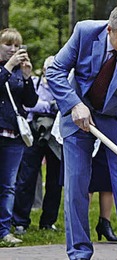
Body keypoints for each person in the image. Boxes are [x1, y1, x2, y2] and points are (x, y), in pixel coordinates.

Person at [46, 4, 117, 259]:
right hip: (79, 115)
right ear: (109, 30)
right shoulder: (85, 32)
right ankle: (79, 254)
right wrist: (74, 104)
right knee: (76, 187)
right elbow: (55, 71)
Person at [12, 56, 63, 235]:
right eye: (49, 69)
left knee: (55, 180)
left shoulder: (64, 86)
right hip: (33, 134)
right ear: (43, 69)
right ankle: (20, 221)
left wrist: (48, 106)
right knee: (27, 176)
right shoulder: (33, 82)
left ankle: (48, 221)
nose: (52, 72)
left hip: (55, 137)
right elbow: (29, 105)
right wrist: (50, 105)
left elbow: (64, 106)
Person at [0, 28, 37, 245]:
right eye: (8, 45)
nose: (13, 49)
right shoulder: (7, 68)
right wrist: (9, 66)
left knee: (8, 185)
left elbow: (30, 102)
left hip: (14, 135)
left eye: (17, 46)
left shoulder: (17, 71)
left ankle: (4, 230)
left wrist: (26, 77)